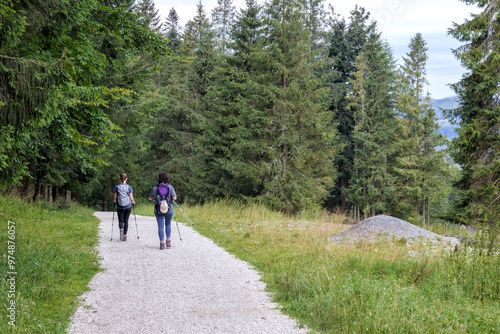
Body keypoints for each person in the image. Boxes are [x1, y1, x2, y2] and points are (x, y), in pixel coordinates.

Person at [148, 172, 177, 250]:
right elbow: (174, 198)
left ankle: (162, 243)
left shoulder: (155, 187)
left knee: (160, 226)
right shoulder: (170, 187)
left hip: (158, 209)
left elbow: (149, 198)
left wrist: (156, 197)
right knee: (168, 224)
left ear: (159, 179)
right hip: (169, 208)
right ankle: (168, 241)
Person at [113, 173, 135, 241]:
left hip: (120, 206)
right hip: (127, 206)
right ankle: (125, 235)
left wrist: (114, 202)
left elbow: (115, 198)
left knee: (121, 220)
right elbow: (131, 198)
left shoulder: (117, 187)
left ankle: (121, 229)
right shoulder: (129, 187)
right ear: (126, 179)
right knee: (126, 221)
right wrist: (133, 202)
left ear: (120, 179)